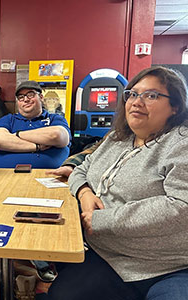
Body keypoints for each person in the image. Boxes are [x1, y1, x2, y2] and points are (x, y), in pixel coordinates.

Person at [41, 66, 188, 300]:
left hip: (168, 266)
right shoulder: (117, 138)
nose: (136, 102)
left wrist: (103, 219)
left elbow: (182, 207)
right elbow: (81, 169)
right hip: (109, 256)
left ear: (175, 107)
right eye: (132, 94)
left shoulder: (181, 144)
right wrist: (84, 193)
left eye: (151, 95)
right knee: (59, 295)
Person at [0, 80, 71, 168]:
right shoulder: (8, 120)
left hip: (48, 178)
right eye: (21, 97)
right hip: (5, 178)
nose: (25, 99)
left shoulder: (55, 119)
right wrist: (37, 147)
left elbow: (57, 136)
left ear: (41, 97)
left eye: (30, 95)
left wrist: (17, 134)